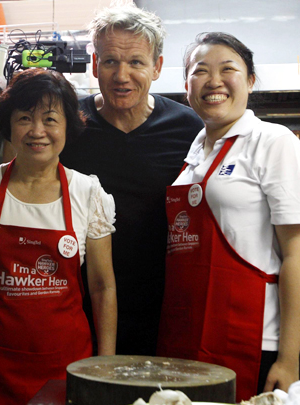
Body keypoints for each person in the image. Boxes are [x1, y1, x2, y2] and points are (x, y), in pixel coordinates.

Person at [0, 69, 117, 405]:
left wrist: (105, 368)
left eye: (50, 119)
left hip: (65, 368)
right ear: (9, 125)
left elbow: (102, 287)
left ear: (68, 126)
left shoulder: (88, 194)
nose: (37, 132)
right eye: (24, 118)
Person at [157, 32, 300, 402]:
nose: (214, 81)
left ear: (249, 81)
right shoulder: (194, 153)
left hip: (251, 337)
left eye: (227, 69)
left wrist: (288, 357)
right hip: (186, 335)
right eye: (200, 71)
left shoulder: (273, 142)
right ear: (187, 87)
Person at [58, 4, 204, 356]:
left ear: (156, 67)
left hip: (165, 306)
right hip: (79, 303)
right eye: (110, 61)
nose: (122, 75)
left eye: (136, 62)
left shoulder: (188, 128)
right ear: (95, 65)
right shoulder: (66, 123)